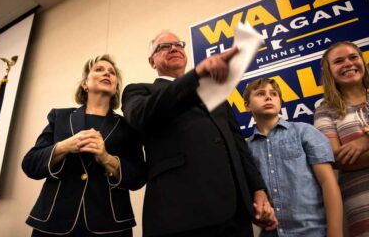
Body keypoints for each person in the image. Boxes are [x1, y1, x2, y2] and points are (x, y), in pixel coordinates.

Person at [121, 30, 277, 237]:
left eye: (178, 44)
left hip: (235, 215)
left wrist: (258, 190)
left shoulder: (217, 95)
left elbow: (238, 145)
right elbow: (140, 116)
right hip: (182, 216)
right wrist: (195, 77)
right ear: (152, 61)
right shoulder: (139, 91)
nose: (174, 48)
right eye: (164, 46)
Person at [22, 55, 146, 236]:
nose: (107, 73)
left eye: (111, 73)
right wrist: (64, 147)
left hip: (110, 225)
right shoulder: (60, 117)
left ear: (115, 88)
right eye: (99, 70)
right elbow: (30, 164)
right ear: (84, 84)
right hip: (54, 221)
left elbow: (138, 177)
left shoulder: (129, 126)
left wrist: (107, 159)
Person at [243, 78, 343, 236]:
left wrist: (335, 233)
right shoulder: (246, 149)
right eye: (260, 94)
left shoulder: (305, 132)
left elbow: (328, 183)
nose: (268, 97)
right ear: (247, 105)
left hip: (313, 231)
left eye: (273, 94)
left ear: (280, 102)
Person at [314, 41, 369, 237]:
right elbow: (337, 159)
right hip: (363, 204)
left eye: (353, 57)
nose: (348, 63)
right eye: (338, 61)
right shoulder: (325, 111)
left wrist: (364, 143)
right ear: (329, 71)